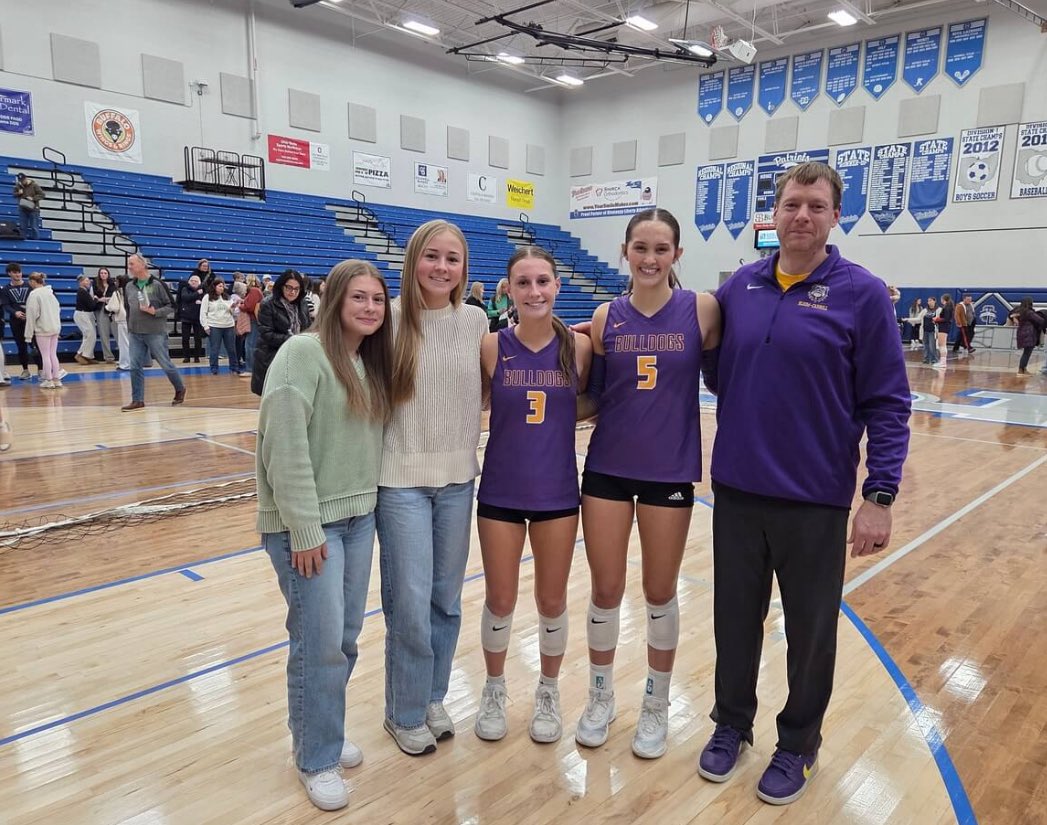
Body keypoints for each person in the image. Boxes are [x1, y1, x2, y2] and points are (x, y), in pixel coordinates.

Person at [696, 162, 911, 805]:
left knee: (811, 633)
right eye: (792, 204)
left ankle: (799, 743)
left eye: (816, 206)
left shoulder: (861, 293)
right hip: (735, 491)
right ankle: (731, 725)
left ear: (834, 215)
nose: (801, 217)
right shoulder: (739, 287)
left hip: (815, 500)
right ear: (774, 213)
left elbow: (888, 402)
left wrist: (878, 496)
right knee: (734, 621)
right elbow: (717, 372)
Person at [575, 207, 720, 760]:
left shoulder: (702, 310)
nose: (650, 258)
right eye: (640, 248)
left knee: (659, 592)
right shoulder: (605, 317)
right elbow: (595, 398)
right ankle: (600, 697)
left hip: (670, 470)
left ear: (677, 255)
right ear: (625, 252)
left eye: (661, 249)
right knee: (606, 590)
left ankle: (655, 706)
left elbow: (727, 375)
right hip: (608, 467)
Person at [258, 260, 392, 811]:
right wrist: (305, 529)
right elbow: (283, 449)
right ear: (333, 300)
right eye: (358, 297)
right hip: (308, 526)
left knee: (340, 639)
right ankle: (316, 756)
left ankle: (320, 731)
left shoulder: (366, 361)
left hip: (358, 519)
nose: (369, 308)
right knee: (318, 643)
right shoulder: (301, 355)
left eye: (378, 300)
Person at [473, 247, 593, 745]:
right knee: (500, 598)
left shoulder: (580, 348)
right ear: (509, 290)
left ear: (557, 286)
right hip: (500, 488)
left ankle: (548, 690)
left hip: (558, 491)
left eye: (543, 281)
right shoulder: (490, 346)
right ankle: (494, 688)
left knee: (550, 599)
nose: (534, 292)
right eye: (523, 283)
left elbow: (595, 402)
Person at [377, 219, 488, 756]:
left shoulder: (474, 320)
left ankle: (432, 696)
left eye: (453, 259)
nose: (442, 267)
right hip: (400, 482)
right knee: (410, 600)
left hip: (458, 479)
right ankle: (402, 710)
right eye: (432, 257)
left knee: (446, 600)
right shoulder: (388, 320)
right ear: (414, 261)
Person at [121, 254, 186, 411]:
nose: (129, 267)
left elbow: (172, 306)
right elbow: (128, 307)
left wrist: (155, 312)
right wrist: (130, 325)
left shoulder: (157, 284)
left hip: (155, 332)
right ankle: (137, 399)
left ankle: (180, 388)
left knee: (166, 364)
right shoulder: (129, 286)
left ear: (143, 265)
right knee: (135, 366)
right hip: (135, 332)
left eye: (132, 264)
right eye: (128, 264)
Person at [250, 270, 312, 396]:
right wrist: (293, 339)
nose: (293, 292)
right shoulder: (268, 304)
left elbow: (308, 327)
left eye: (296, 288)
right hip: (273, 357)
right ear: (281, 286)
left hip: (299, 357)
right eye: (289, 287)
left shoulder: (302, 303)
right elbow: (266, 334)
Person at [24, 272, 63, 389]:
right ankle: (57, 379)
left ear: (32, 282)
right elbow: (58, 310)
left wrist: (28, 335)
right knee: (53, 354)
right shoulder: (51, 293)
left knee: (45, 355)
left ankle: (48, 380)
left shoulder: (34, 295)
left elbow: (32, 315)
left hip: (42, 328)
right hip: (54, 327)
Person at [2, 263, 39, 380]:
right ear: (9, 274)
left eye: (19, 272)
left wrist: (30, 313)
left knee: (36, 345)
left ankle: (42, 369)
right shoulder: (6, 289)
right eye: (15, 272)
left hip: (31, 321)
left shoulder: (30, 286)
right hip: (16, 322)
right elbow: (6, 305)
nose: (18, 274)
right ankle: (25, 370)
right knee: (21, 347)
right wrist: (15, 313)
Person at [200, 278, 240, 375]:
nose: (222, 288)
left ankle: (234, 367)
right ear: (214, 286)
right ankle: (214, 368)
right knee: (215, 348)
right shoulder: (207, 297)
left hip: (228, 325)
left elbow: (233, 313)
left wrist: (233, 307)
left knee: (231, 348)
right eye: (220, 286)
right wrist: (205, 326)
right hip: (214, 325)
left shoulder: (227, 297)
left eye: (223, 286)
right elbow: (203, 312)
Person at [1010, 298, 1045, 377]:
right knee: (1027, 353)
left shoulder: (1019, 312)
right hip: (1029, 334)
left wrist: (1014, 317)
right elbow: (1040, 320)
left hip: (1021, 333)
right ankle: (1021, 370)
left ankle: (1023, 369)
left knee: (1026, 353)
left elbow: (1011, 314)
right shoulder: (1029, 312)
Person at [73, 275, 102, 364]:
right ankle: (80, 354)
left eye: (88, 280)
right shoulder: (82, 292)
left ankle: (87, 355)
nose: (88, 282)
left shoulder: (84, 291)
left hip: (86, 314)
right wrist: (96, 299)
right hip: (82, 314)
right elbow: (92, 305)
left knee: (89, 335)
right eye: (86, 280)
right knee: (90, 334)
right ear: (81, 282)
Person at [177, 274, 205, 363]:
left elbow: (204, 301)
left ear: (199, 283)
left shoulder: (203, 291)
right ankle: (186, 357)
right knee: (185, 338)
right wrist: (197, 294)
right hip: (186, 317)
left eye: (195, 281)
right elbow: (186, 298)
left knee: (198, 338)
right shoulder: (185, 289)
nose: (193, 282)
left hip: (198, 317)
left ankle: (197, 356)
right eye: (192, 280)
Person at [240, 274, 264, 375]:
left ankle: (250, 369)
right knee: (251, 344)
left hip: (254, 321)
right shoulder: (256, 290)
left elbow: (250, 306)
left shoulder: (254, 290)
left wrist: (241, 305)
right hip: (254, 320)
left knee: (250, 345)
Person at [93, 267, 118, 363]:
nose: (103, 274)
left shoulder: (112, 284)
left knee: (116, 332)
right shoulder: (95, 284)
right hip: (100, 309)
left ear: (108, 274)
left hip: (112, 309)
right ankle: (108, 357)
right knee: (104, 333)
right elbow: (94, 297)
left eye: (105, 273)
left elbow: (115, 296)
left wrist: (107, 298)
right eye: (101, 273)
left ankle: (123, 354)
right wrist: (100, 299)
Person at [108, 275, 131, 371]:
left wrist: (107, 307)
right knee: (130, 342)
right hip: (131, 319)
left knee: (123, 343)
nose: (115, 283)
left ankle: (125, 364)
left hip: (122, 319)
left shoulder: (117, 292)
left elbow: (114, 308)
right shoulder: (132, 291)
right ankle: (129, 362)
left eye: (117, 281)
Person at [13, 173, 44, 241]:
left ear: (26, 178)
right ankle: (23, 238)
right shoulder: (18, 186)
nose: (22, 182)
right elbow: (14, 195)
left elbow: (42, 195)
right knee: (23, 226)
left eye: (23, 180)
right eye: (20, 181)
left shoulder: (34, 185)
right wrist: (18, 193)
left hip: (33, 208)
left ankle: (36, 240)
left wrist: (33, 198)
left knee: (34, 226)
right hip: (23, 208)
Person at [934, 294, 953, 370]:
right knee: (941, 344)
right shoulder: (947, 306)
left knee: (942, 345)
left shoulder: (947, 307)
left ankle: (943, 362)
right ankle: (942, 362)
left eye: (941, 299)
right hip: (943, 327)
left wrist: (937, 319)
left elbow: (946, 319)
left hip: (944, 327)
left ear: (943, 299)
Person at [921, 296, 939, 365]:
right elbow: (919, 318)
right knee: (925, 345)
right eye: (928, 301)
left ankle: (934, 359)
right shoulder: (925, 310)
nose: (929, 302)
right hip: (925, 330)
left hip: (933, 331)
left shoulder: (938, 309)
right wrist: (907, 319)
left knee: (932, 346)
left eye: (931, 300)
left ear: (934, 301)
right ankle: (926, 359)